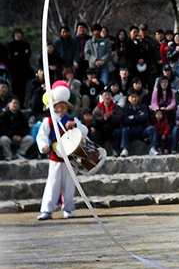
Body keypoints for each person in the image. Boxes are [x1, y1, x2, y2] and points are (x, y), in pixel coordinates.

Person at [36, 83, 88, 220]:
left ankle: (68, 208)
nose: (61, 107)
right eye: (59, 104)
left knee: (69, 184)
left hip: (70, 156)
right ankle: (47, 210)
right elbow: (41, 135)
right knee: (53, 183)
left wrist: (75, 125)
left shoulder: (72, 120)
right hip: (56, 156)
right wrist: (44, 146)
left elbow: (85, 131)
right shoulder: (49, 121)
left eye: (64, 104)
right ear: (54, 106)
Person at [120, 90, 158, 157]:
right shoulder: (126, 108)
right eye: (132, 97)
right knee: (124, 130)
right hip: (131, 130)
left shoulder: (143, 107)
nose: (134, 99)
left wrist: (133, 117)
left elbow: (145, 117)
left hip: (142, 130)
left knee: (152, 129)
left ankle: (153, 148)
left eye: (136, 97)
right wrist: (138, 117)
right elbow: (125, 120)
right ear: (128, 98)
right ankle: (125, 149)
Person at [91, 88, 123, 156]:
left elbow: (119, 119)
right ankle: (98, 151)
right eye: (105, 95)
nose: (107, 97)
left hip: (112, 130)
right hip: (102, 130)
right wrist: (104, 118)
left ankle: (115, 150)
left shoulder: (117, 108)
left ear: (111, 96)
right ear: (102, 97)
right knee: (94, 133)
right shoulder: (98, 108)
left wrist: (110, 117)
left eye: (109, 95)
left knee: (118, 132)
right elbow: (95, 119)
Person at [7, 29, 32, 105]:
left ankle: (22, 104)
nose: (18, 36)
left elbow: (27, 55)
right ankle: (14, 103)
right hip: (14, 70)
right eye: (16, 34)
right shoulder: (10, 45)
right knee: (15, 88)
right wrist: (21, 54)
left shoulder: (26, 44)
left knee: (23, 89)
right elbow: (12, 56)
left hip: (24, 70)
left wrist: (19, 54)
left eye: (19, 34)